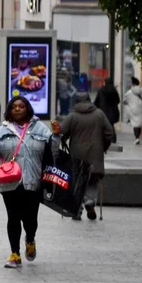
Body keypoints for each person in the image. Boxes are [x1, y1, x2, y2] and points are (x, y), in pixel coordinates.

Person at [0, 96, 52, 268]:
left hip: (33, 182)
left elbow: (54, 152)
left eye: (21, 106)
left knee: (30, 219)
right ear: (9, 110)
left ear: (27, 109)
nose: (17, 109)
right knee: (13, 217)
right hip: (10, 183)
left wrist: (58, 135)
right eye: (14, 107)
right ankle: (15, 254)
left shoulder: (40, 128)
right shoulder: (2, 131)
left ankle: (30, 238)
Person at [52, 92, 114, 221]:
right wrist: (104, 146)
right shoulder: (99, 114)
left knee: (77, 182)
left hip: (77, 155)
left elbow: (62, 132)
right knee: (92, 180)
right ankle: (89, 203)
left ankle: (77, 211)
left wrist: (63, 141)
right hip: (95, 154)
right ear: (89, 100)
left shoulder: (72, 116)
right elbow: (109, 133)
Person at [122, 76, 142, 144]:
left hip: (133, 110)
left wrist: (129, 104)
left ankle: (136, 137)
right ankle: (137, 137)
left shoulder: (129, 92)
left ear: (132, 84)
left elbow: (124, 101)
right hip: (141, 110)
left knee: (135, 124)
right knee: (139, 123)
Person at [93, 77, 121, 143]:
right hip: (113, 112)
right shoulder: (114, 91)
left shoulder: (101, 90)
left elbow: (97, 101)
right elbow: (118, 101)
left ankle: (105, 138)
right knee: (111, 125)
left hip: (103, 111)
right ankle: (113, 138)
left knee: (104, 125)